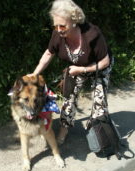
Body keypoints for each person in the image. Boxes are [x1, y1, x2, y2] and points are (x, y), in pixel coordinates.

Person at [30, 0, 114, 145]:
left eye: (62, 25)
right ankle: (64, 130)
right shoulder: (58, 35)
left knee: (99, 104)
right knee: (69, 99)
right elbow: (48, 54)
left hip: (98, 66)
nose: (58, 29)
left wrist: (83, 69)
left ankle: (99, 134)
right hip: (77, 67)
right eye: (55, 25)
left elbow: (105, 61)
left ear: (74, 21)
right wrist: (35, 74)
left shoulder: (92, 34)